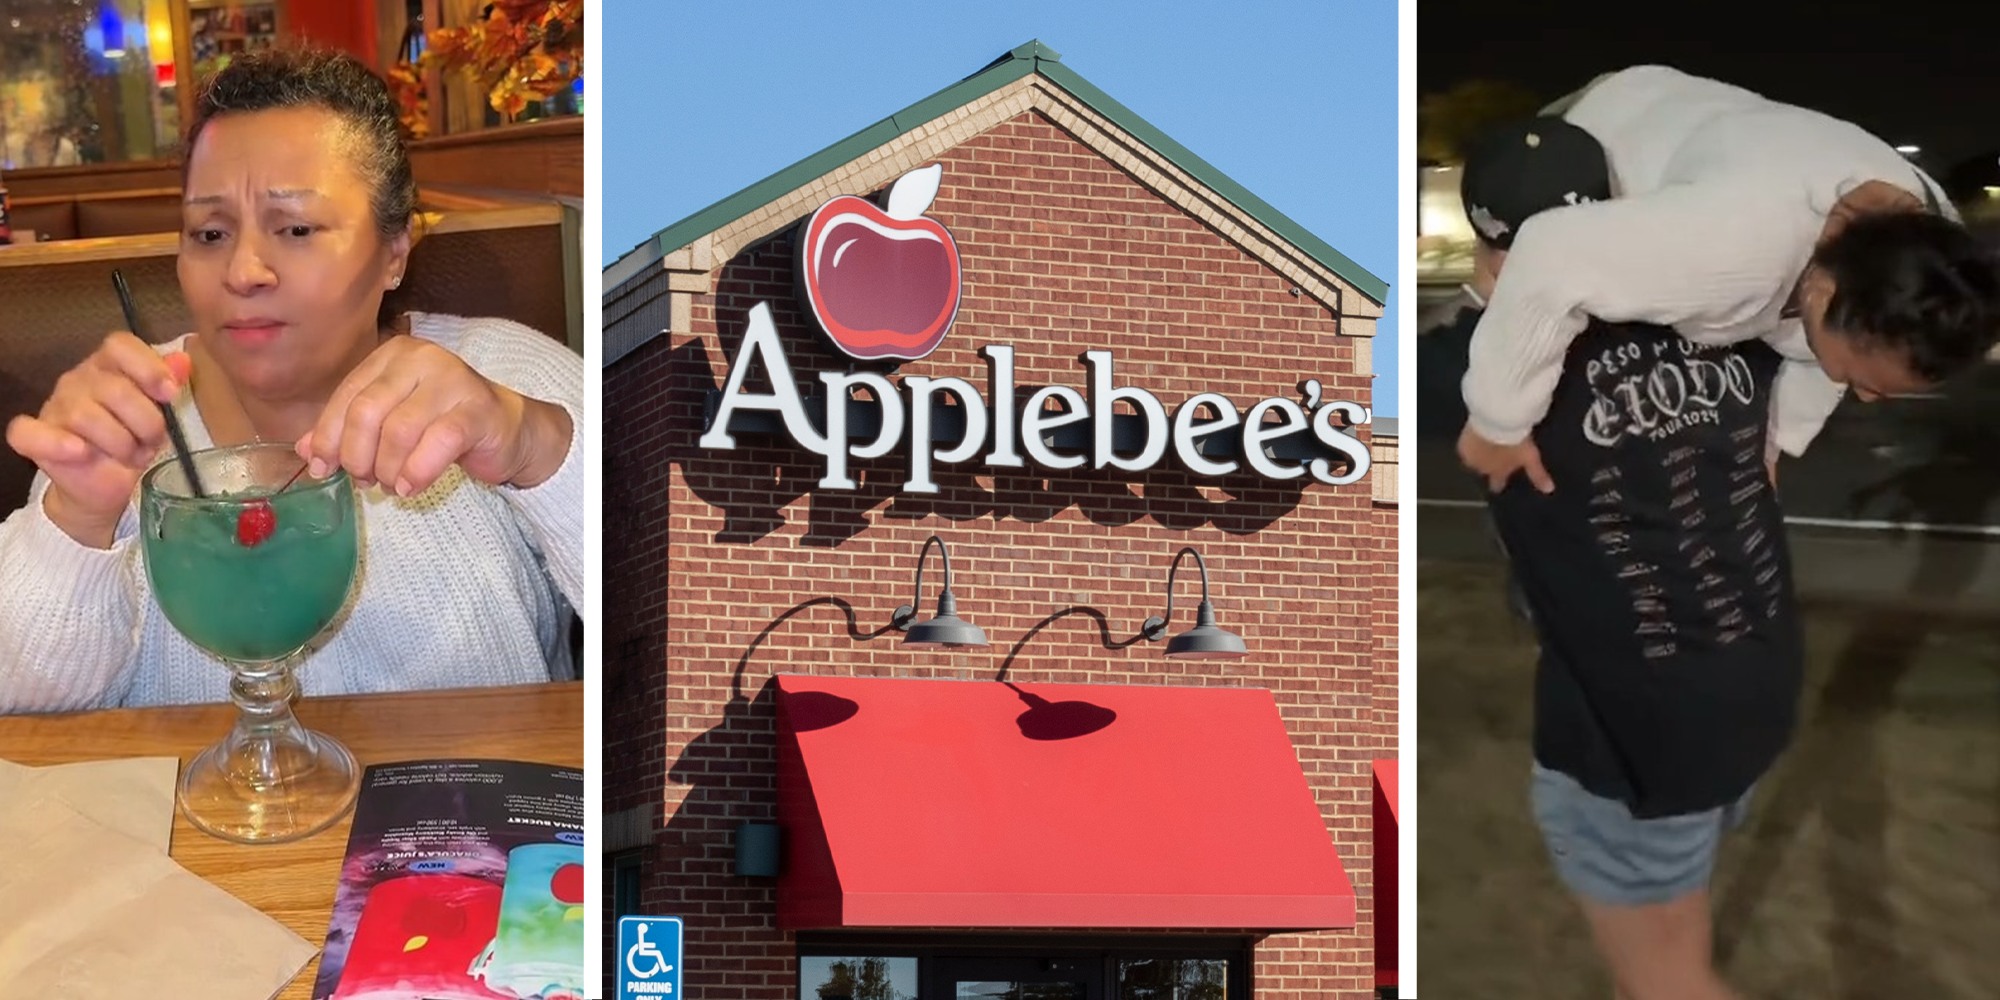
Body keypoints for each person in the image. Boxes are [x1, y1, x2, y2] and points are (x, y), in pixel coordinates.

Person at [0, 48, 584, 712]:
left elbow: (677, 606)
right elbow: (26, 712)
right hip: (207, 814)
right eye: (211, 232)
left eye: (297, 227)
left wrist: (536, 446)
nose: (244, 270)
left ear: (394, 252)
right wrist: (77, 522)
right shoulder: (126, 417)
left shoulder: (506, 375)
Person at [1458, 108, 1791, 1000]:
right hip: (1754, 690)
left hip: (1628, 735)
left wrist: (1493, 304)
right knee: (1681, 919)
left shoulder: (1489, 383)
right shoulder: (1737, 327)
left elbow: (1494, 359)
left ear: (1496, 250)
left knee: (1669, 981)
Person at [1457, 65, 2000, 496]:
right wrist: (1496, 424)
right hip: (1592, 132)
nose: (1866, 396)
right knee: (1512, 288)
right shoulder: (1729, 251)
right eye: (1868, 381)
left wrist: (1773, 446)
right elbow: (1550, 253)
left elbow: (1825, 355)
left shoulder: (1927, 255)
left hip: (1713, 135)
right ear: (1824, 290)